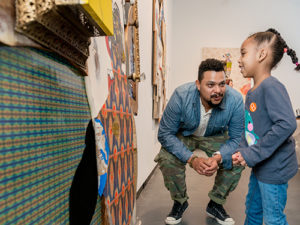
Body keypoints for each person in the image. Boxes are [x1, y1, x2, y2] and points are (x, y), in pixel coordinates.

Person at [155, 58, 245, 225]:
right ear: (198, 84)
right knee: (166, 157)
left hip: (215, 136)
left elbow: (237, 139)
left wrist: (218, 157)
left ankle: (216, 204)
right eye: (210, 85)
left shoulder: (236, 100)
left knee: (237, 158)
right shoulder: (181, 95)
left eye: (222, 84)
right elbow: (165, 133)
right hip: (186, 134)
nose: (218, 90)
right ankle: (180, 201)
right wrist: (192, 159)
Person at [232, 28, 299, 225]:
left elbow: (287, 123)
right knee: (252, 211)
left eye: (243, 53)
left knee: (273, 219)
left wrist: (252, 153)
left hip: (275, 170)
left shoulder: (271, 86)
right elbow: (250, 129)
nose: (239, 59)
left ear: (261, 54)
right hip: (261, 166)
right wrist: (241, 151)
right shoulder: (253, 91)